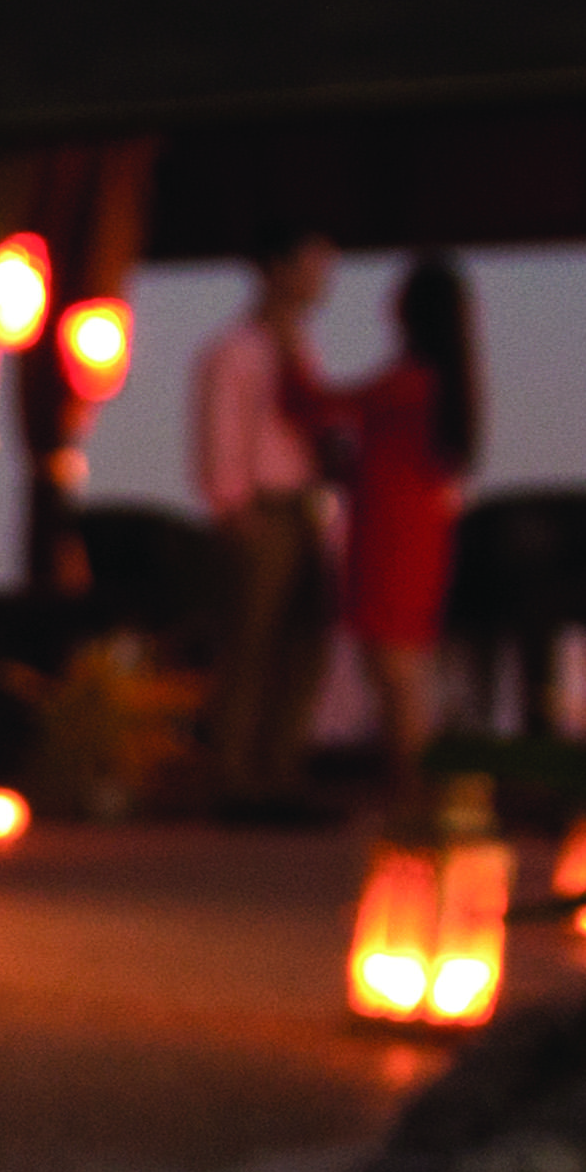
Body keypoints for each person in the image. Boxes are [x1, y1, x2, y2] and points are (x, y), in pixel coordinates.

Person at [313, 253, 483, 816]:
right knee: (402, 669)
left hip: (392, 534)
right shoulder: (442, 382)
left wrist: (289, 357)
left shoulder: (408, 384)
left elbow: (322, 406)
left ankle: (414, 795)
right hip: (411, 531)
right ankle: (413, 790)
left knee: (396, 670)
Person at [187, 236, 337, 810]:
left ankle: (279, 766)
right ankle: (232, 773)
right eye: (311, 267)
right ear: (277, 268)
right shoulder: (235, 349)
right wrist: (232, 505)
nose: (320, 281)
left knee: (304, 639)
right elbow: (220, 428)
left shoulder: (298, 346)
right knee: (249, 640)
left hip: (301, 507)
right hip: (262, 509)